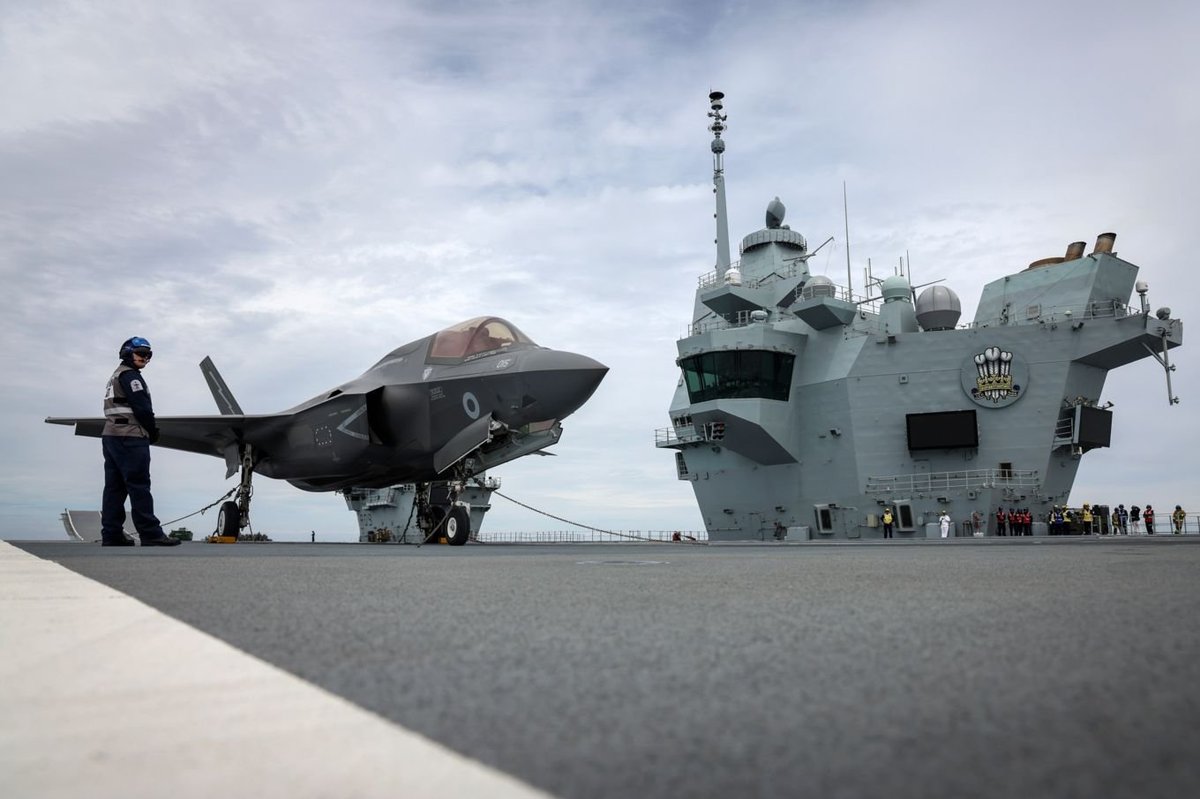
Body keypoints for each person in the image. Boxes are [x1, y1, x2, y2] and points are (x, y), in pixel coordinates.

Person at [100, 337, 180, 547]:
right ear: (127, 352)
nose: (146, 358)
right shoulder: (131, 377)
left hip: (111, 435)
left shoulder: (115, 376)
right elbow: (142, 408)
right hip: (130, 435)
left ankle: (112, 534)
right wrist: (152, 431)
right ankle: (151, 533)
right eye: (142, 353)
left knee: (114, 488)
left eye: (148, 355)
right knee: (139, 485)